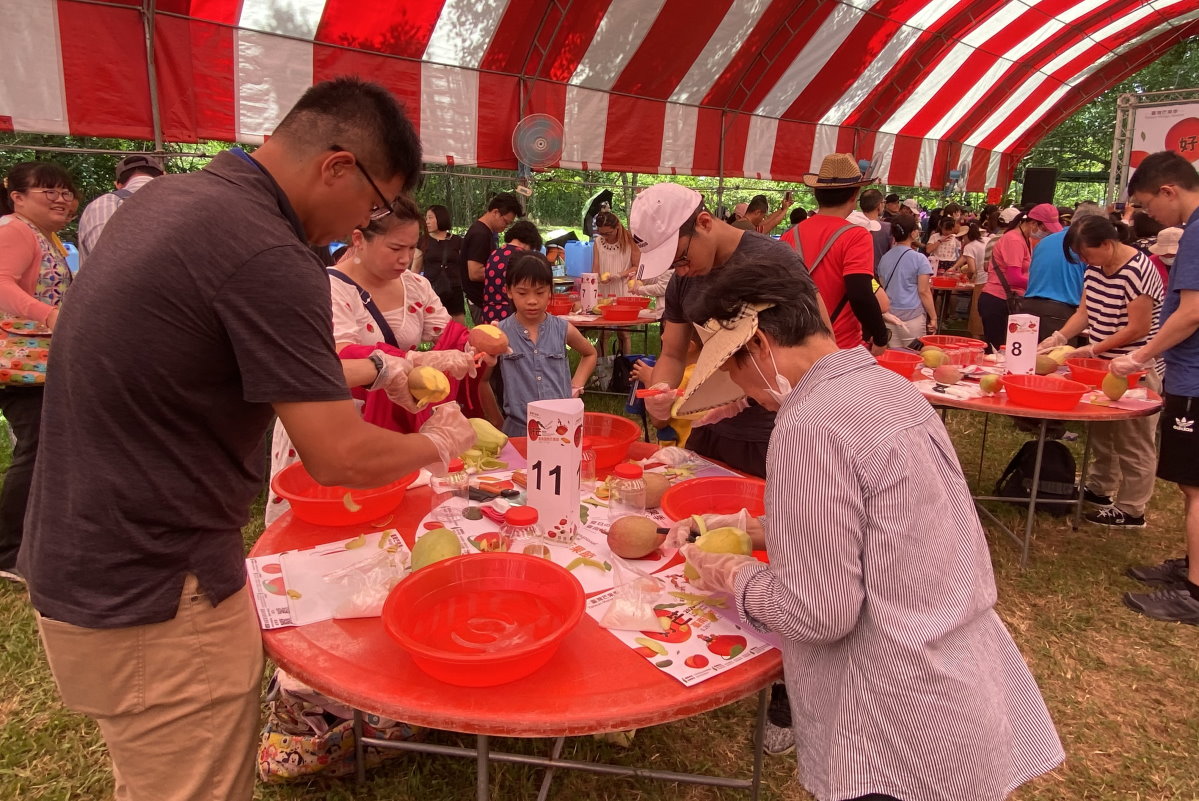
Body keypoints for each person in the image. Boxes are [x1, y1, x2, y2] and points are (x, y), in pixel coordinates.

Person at [18, 78, 477, 801]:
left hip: (92, 556)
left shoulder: (178, 199)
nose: (361, 224)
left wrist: (384, 366)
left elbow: (232, 347)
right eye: (374, 205)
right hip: (157, 586)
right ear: (336, 167)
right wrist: (442, 441)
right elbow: (340, 454)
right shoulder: (268, 252)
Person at [669, 252, 1063, 801]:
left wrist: (734, 574)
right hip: (957, 678)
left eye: (732, 367)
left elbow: (818, 610)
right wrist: (757, 528)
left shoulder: (808, 425)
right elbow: (884, 526)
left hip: (891, 713)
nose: (740, 388)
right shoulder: (888, 388)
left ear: (757, 345)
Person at [268, 195, 477, 526]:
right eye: (395, 248)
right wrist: (415, 358)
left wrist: (473, 344)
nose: (405, 259)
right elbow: (340, 358)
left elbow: (448, 332)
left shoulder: (416, 285)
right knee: (329, 515)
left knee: (391, 515)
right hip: (337, 419)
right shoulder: (329, 287)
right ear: (358, 239)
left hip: (396, 416)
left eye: (412, 248)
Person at [1108, 151, 1199, 622]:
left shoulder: (1197, 232)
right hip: (1189, 375)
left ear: (1169, 191)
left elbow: (1191, 312)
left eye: (1147, 205)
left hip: (1194, 379)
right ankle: (1191, 567)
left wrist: (1141, 355)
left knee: (1196, 487)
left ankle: (1195, 593)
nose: (1147, 216)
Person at [1038, 215, 1163, 527]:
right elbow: (1085, 312)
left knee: (1133, 441)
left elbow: (1138, 328)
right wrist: (1061, 338)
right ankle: (1100, 487)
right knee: (1102, 432)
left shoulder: (1138, 270)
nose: (1084, 260)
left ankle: (1132, 509)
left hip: (1135, 368)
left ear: (1107, 244)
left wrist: (1094, 348)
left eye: (1086, 254)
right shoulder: (1095, 268)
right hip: (1099, 367)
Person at [0, 162, 77, 583]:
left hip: (38, 363)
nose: (62, 198)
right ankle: (9, 551)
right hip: (19, 364)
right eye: (49, 190)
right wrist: (50, 316)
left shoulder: (46, 237)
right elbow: (1, 283)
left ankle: (35, 540)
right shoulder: (13, 229)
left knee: (44, 447)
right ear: (17, 196)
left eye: (67, 191)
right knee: (36, 450)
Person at [787, 153, 888, 353]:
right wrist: (881, 337)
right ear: (854, 195)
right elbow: (860, 292)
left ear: (817, 193)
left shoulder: (790, 235)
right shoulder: (856, 235)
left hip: (797, 344)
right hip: (840, 346)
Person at [490, 252, 596, 436]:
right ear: (509, 291)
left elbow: (590, 353)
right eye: (522, 293)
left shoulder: (562, 328)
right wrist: (495, 420)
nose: (532, 301)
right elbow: (483, 381)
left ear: (550, 291)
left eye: (540, 292)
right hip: (518, 429)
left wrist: (576, 386)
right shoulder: (500, 332)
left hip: (561, 428)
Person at [978, 204, 1061, 351]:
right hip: (998, 301)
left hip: (1009, 300)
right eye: (1045, 229)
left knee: (1006, 350)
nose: (1047, 233)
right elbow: (1014, 278)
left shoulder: (1026, 239)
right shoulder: (1014, 240)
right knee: (998, 350)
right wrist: (1042, 285)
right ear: (1033, 223)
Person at [1022, 201, 1104, 340]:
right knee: (1054, 359)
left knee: (1025, 358)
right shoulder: (1088, 246)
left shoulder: (1045, 241)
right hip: (1060, 312)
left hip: (1028, 307)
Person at [77, 154, 164, 267]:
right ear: (164, 176)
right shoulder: (181, 205)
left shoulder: (101, 205)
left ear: (118, 184)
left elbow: (106, 263)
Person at [460, 192, 522, 321]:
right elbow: (475, 272)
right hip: (479, 301)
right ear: (495, 212)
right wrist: (504, 274)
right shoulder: (480, 234)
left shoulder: (485, 232)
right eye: (505, 222)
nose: (505, 227)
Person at [877, 214, 934, 346]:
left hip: (889, 316)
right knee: (915, 358)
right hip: (913, 316)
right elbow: (924, 291)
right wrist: (934, 317)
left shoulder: (884, 258)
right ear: (913, 233)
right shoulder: (919, 259)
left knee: (894, 361)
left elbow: (883, 285)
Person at [480, 220, 542, 323]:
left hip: (489, 313)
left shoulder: (495, 253)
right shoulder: (522, 258)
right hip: (511, 314)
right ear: (530, 242)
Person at [419, 204, 465, 323]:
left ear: (440, 218)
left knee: (458, 327)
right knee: (434, 326)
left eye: (430, 218)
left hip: (454, 289)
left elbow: (465, 266)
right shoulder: (422, 241)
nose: (427, 221)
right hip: (432, 289)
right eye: (426, 218)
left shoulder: (457, 241)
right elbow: (415, 268)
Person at [590, 210, 639, 299]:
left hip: (625, 290)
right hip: (605, 291)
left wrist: (619, 275)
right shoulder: (598, 242)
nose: (605, 237)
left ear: (617, 227)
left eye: (608, 233)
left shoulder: (630, 240)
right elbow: (595, 269)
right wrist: (599, 278)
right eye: (602, 233)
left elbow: (637, 267)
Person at [847, 188, 890, 268]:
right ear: (879, 205)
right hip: (878, 276)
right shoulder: (887, 228)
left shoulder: (848, 224)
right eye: (883, 202)